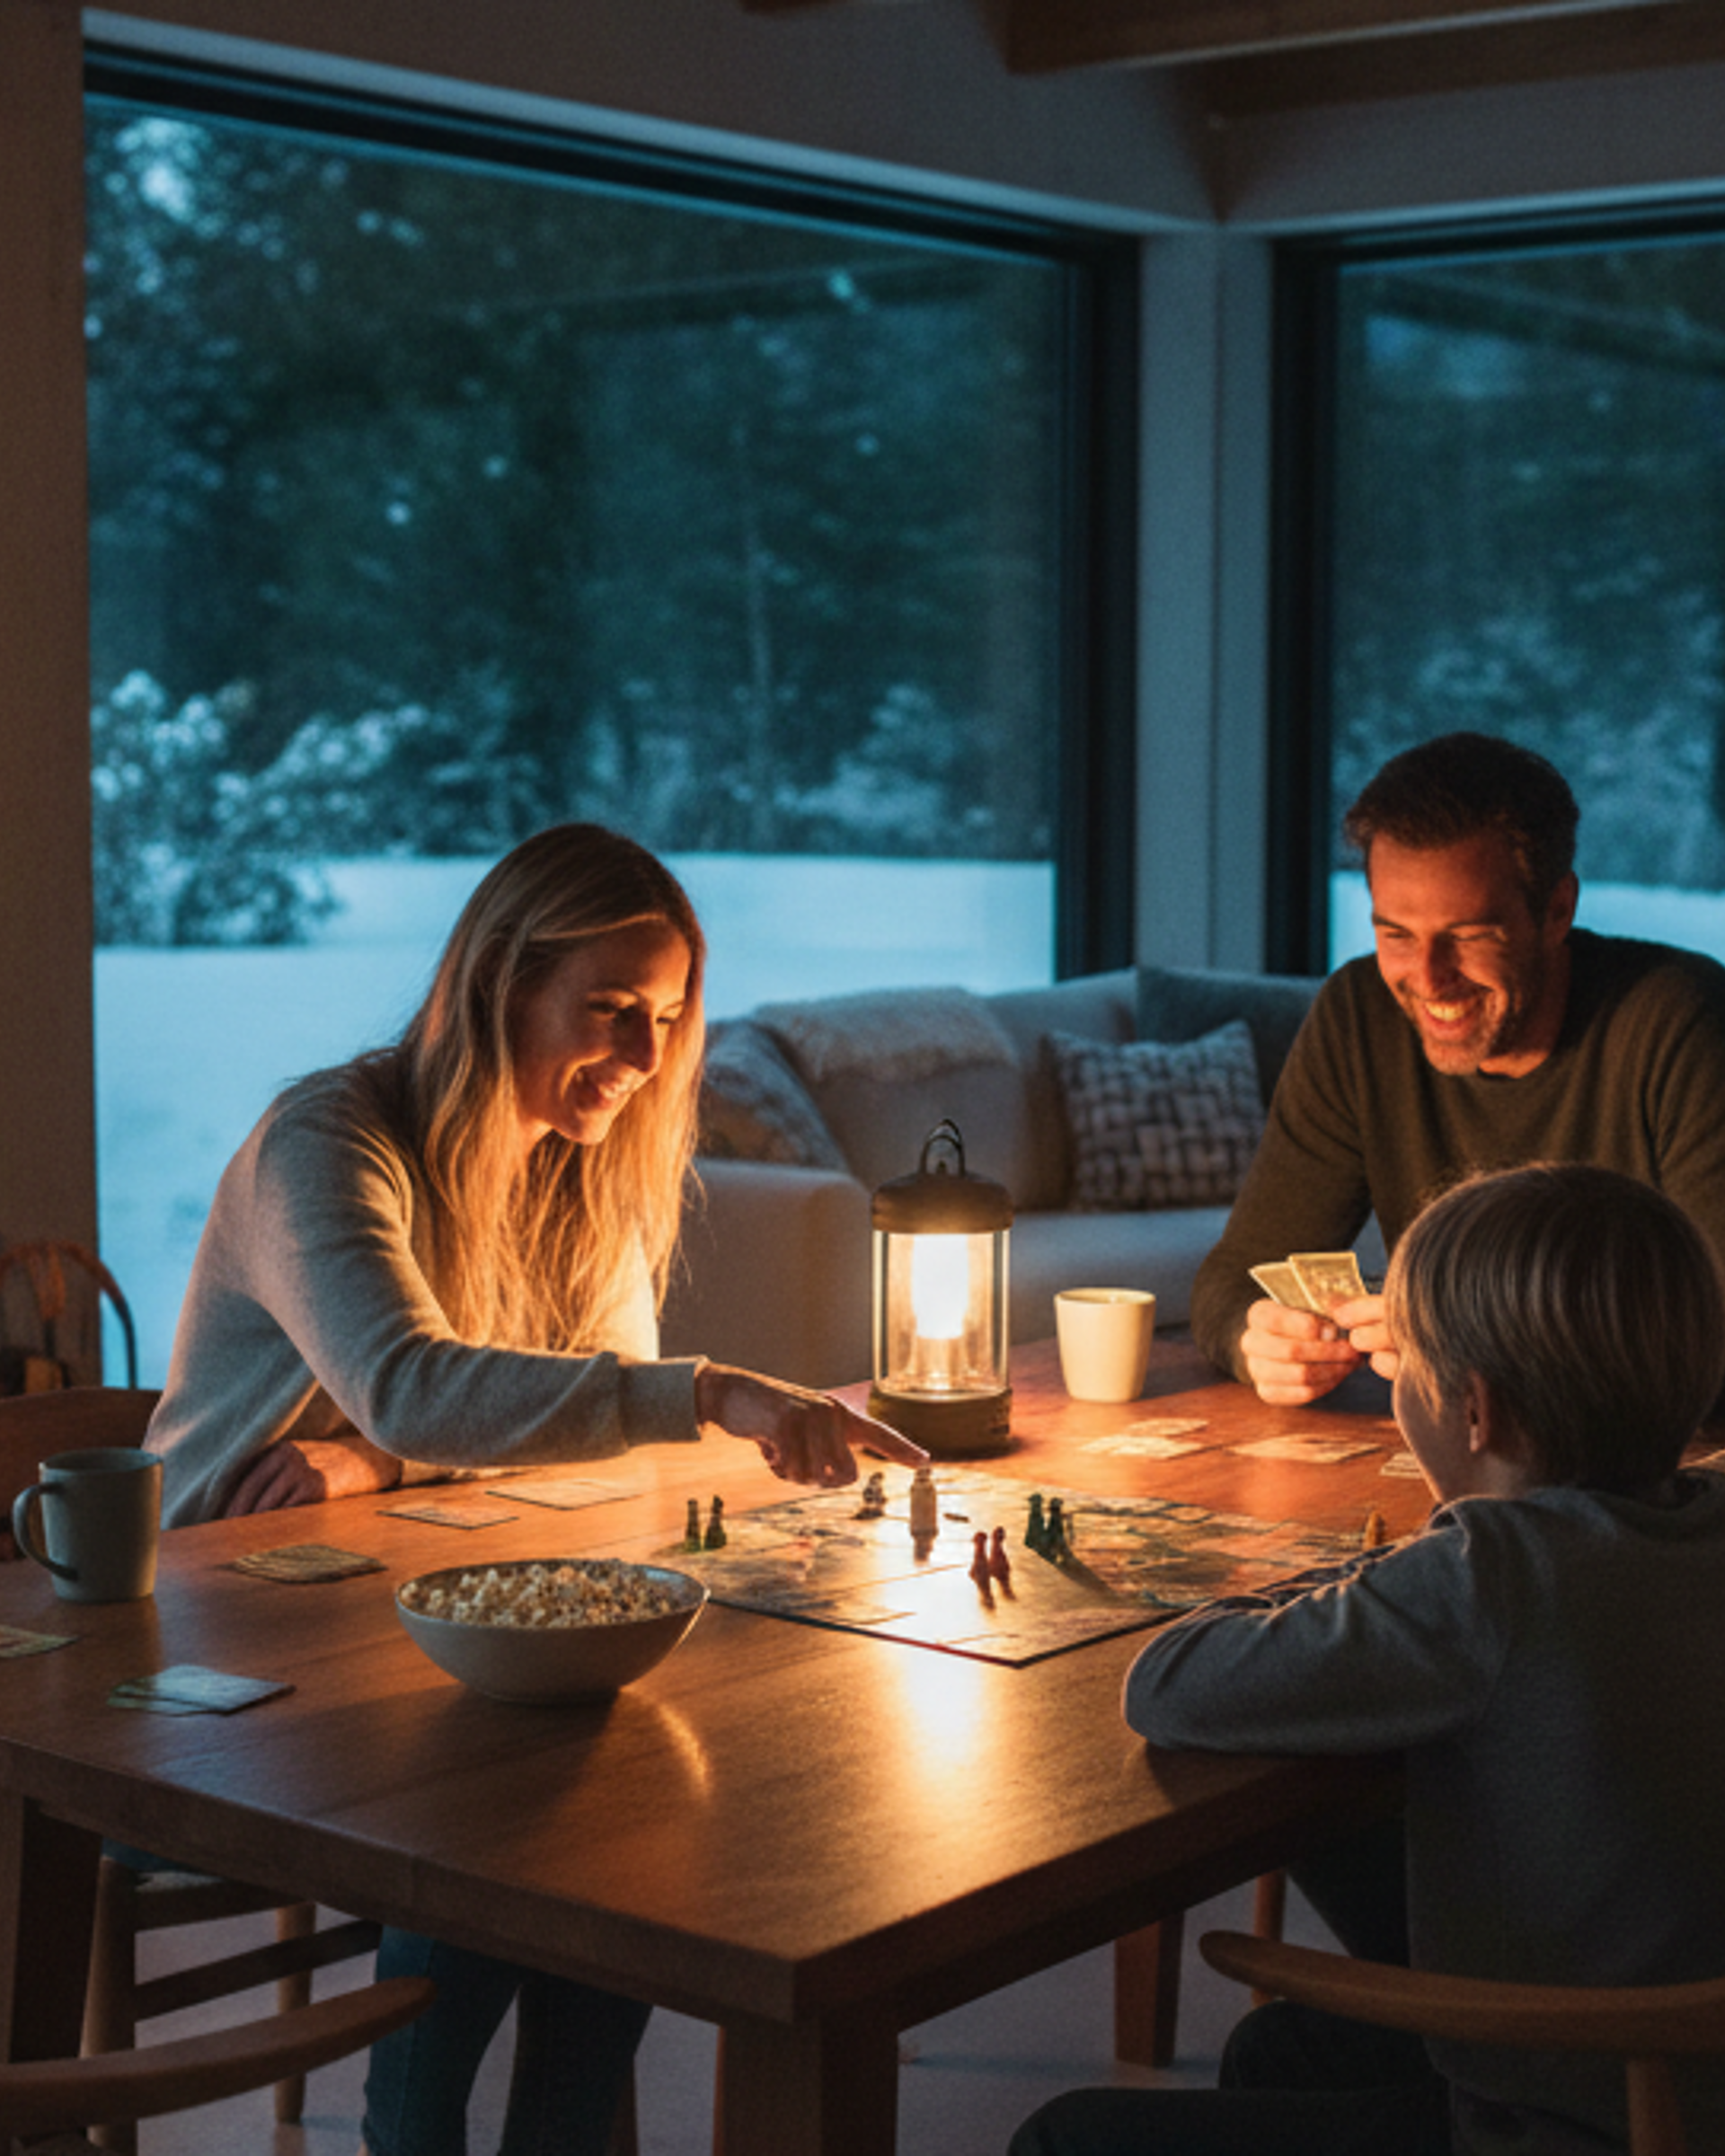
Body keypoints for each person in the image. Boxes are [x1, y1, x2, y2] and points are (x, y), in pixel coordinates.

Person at [147, 821, 926, 2156]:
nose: (640, 1058)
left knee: (605, 1775)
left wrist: (380, 1460)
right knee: (524, 1800)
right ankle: (428, 2134)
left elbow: (571, 1400)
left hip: (400, 1585)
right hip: (224, 1627)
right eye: (610, 1011)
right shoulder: (326, 1140)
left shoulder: (579, 1162)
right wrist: (705, 1391)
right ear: (500, 981)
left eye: (667, 1022)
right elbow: (420, 1380)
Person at [1012, 1162, 1725, 2156]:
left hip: (1575, 2115)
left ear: (1474, 1412)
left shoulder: (1490, 1576)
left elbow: (1172, 1684)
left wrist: (1391, 1563)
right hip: (1690, 2067)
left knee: (1068, 2137)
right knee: (1284, 2050)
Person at [1190, 731, 1725, 1406]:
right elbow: (1232, 1279)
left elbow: (1713, 1329)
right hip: (1446, 1458)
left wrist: (1470, 1340)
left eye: (1469, 936)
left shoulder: (1681, 1018)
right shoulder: (1360, 1016)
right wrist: (1258, 1340)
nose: (1430, 979)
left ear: (1557, 909)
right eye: (1396, 935)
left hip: (1660, 1474)